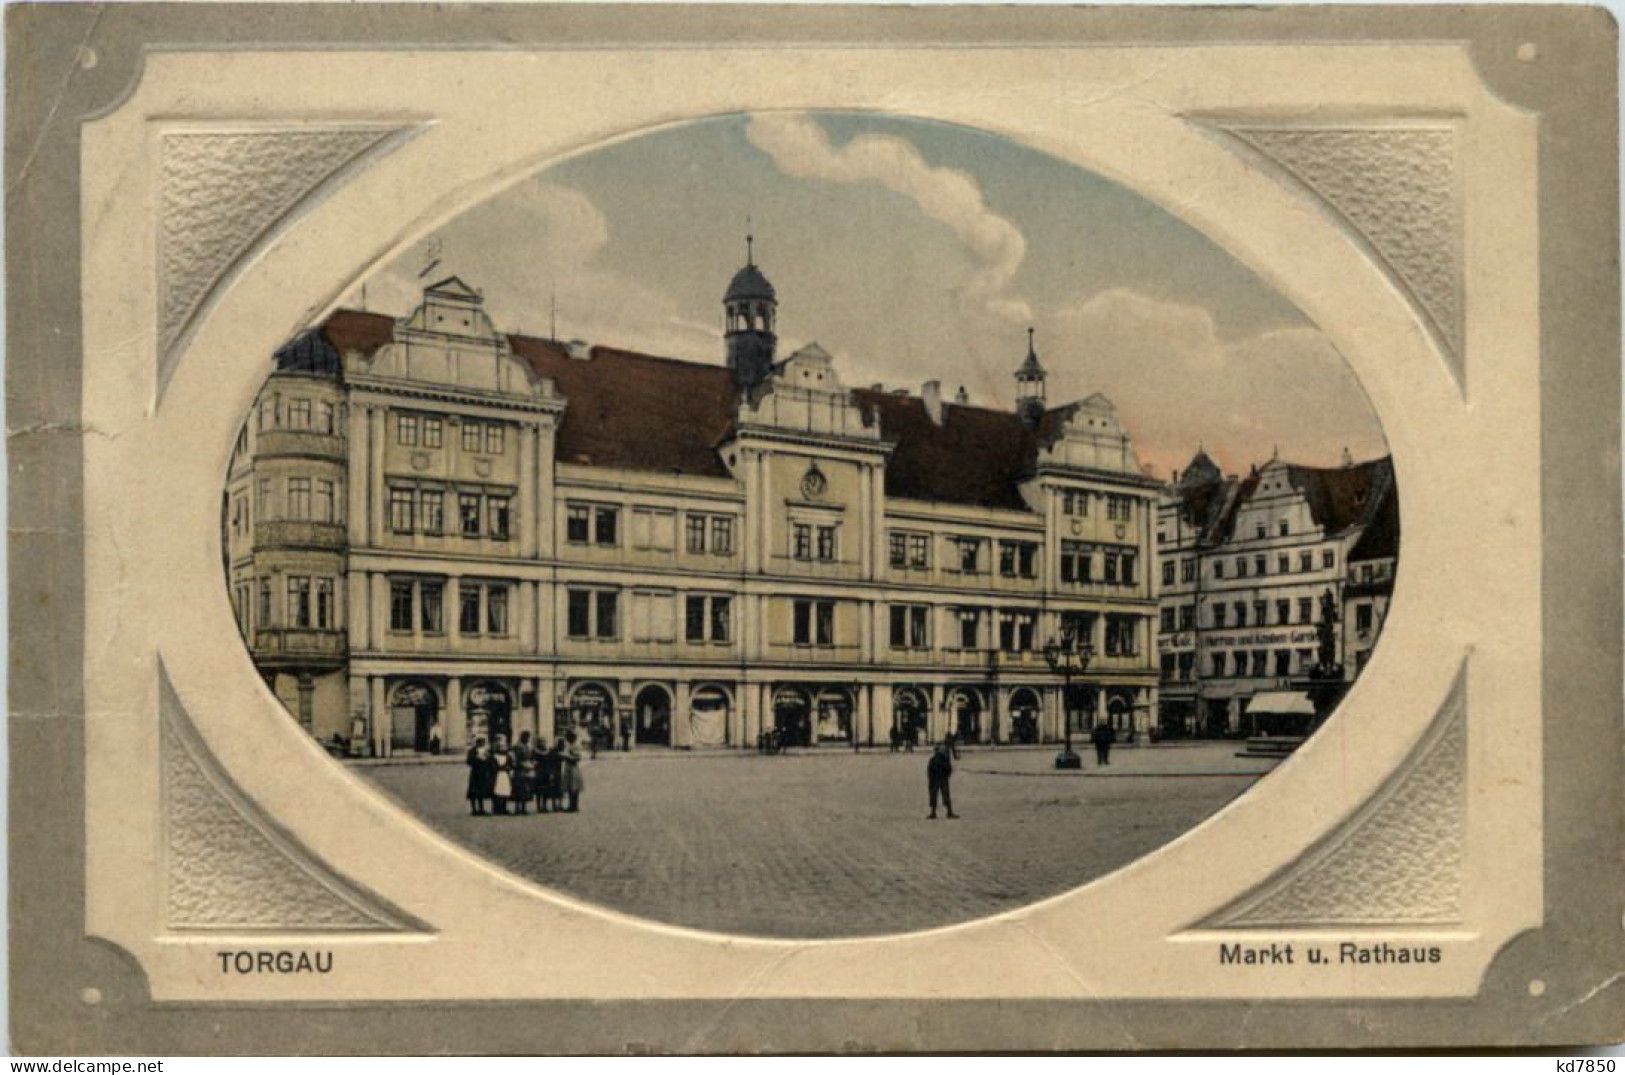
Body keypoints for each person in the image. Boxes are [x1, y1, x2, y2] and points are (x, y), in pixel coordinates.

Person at [927, 743, 958, 820]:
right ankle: (949, 812)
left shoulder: (933, 760)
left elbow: (929, 771)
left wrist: (931, 779)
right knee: (945, 795)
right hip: (942, 779)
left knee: (935, 796)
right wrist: (946, 776)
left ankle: (933, 812)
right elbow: (949, 770)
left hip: (936, 780)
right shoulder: (944, 759)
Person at [465, 737, 492, 816]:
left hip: (482, 773)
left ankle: (481, 809)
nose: (482, 744)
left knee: (481, 791)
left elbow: (489, 761)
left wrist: (486, 759)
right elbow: (469, 761)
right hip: (475, 773)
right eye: (481, 743)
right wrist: (478, 759)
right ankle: (474, 809)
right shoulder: (472, 751)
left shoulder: (485, 751)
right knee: (473, 791)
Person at [512, 731, 536, 815]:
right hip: (520, 770)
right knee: (519, 788)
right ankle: (518, 807)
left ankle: (523, 807)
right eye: (526, 737)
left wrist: (532, 764)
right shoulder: (518, 747)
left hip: (527, 769)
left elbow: (531, 757)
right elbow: (516, 759)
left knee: (526, 789)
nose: (528, 739)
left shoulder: (528, 747)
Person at [560, 731, 584, 813]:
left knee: (574, 787)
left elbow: (578, 757)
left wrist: (567, 756)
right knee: (570, 787)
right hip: (569, 767)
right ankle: (571, 805)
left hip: (573, 768)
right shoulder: (569, 745)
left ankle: (574, 805)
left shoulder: (576, 746)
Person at [490, 735, 514, 815]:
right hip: (497, 775)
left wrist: (508, 768)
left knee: (505, 790)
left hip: (505, 775)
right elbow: (492, 765)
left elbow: (511, 765)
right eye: (501, 747)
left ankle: (504, 807)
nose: (503, 748)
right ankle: (496, 808)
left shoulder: (507, 756)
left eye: (504, 747)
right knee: (496, 790)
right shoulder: (494, 756)